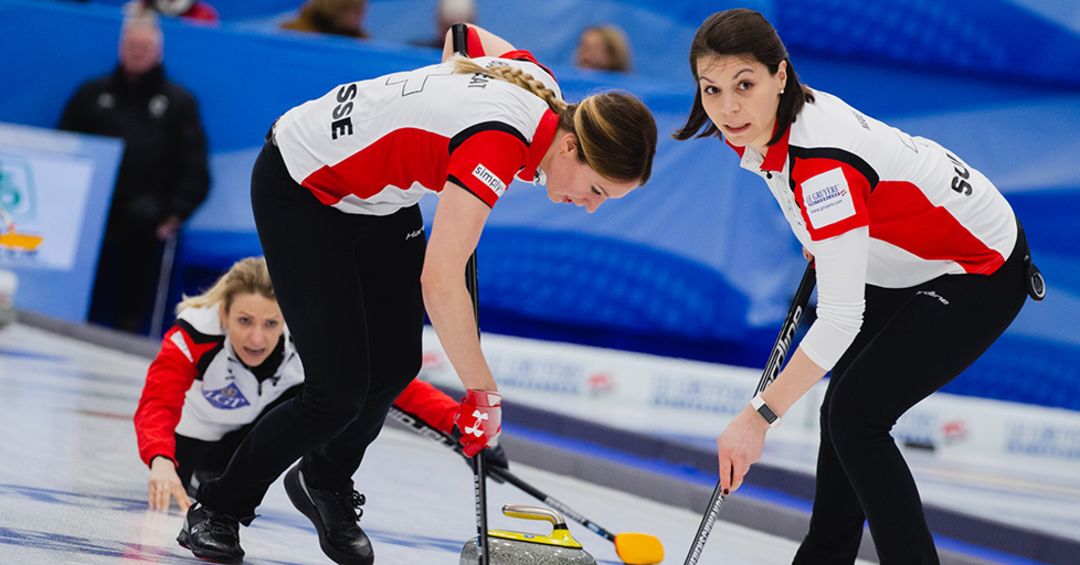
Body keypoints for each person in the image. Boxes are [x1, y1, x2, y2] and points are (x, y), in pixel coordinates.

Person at [177, 23, 657, 564]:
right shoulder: (498, 143)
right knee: (336, 392)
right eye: (595, 189)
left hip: (378, 196)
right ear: (570, 145)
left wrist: (433, 106)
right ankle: (218, 508)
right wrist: (483, 395)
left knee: (396, 362)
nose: (590, 205)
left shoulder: (537, 83)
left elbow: (461, 35)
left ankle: (323, 480)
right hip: (304, 185)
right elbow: (440, 281)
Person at [675, 9, 1039, 564]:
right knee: (839, 415)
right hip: (897, 255)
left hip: (976, 265)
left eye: (744, 85)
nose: (727, 107)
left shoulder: (824, 163)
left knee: (857, 415)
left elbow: (841, 318)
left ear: (781, 75)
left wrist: (757, 418)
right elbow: (818, 196)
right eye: (712, 89)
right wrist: (823, 233)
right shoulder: (761, 122)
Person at [134, 257, 497, 512]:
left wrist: (461, 427)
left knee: (336, 389)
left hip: (248, 437)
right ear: (224, 314)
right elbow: (157, 404)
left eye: (271, 324)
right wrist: (161, 458)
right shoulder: (193, 336)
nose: (257, 338)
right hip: (187, 441)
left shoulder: (305, 335)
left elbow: (390, 385)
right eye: (244, 321)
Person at [59, 9, 210, 334]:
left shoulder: (178, 103)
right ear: (121, 47)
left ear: (158, 50)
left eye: (144, 47)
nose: (137, 53)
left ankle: (129, 330)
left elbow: (195, 167)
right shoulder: (91, 95)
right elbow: (64, 151)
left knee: (142, 237)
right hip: (92, 213)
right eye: (131, 46)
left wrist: (174, 213)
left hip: (147, 216)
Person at [280, 0, 369, 40]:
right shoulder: (291, 34)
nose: (362, 15)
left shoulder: (360, 41)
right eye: (356, 11)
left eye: (362, 10)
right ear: (337, 10)